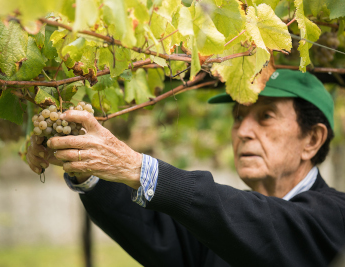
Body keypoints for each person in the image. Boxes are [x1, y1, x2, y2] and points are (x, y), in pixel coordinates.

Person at [26, 69, 345, 266]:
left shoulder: (335, 219)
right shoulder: (225, 228)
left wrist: (137, 167)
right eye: (238, 116)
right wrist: (84, 167)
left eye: (266, 117)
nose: (243, 131)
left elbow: (267, 229)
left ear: (312, 140)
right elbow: (159, 236)